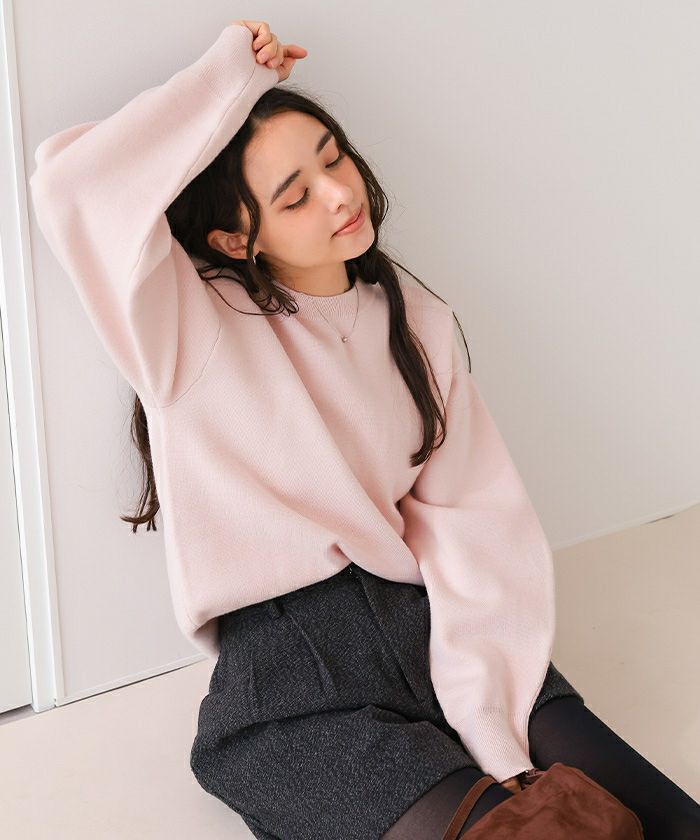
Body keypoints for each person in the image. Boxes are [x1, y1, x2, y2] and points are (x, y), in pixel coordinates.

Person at [29, 18, 700, 840]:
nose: (340, 195)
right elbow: (74, 190)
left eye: (333, 158)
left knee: (673, 822)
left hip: (438, 627)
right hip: (294, 681)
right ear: (235, 236)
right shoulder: (192, 326)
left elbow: (473, 526)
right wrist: (226, 77)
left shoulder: (417, 322)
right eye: (295, 195)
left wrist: (488, 717)